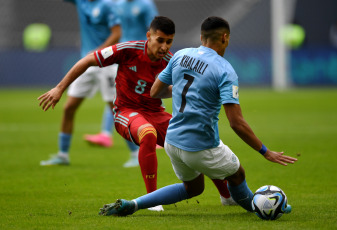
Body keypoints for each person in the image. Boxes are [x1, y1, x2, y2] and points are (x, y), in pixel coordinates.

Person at [98, 16, 298, 217]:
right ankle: (265, 207)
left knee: (193, 189)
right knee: (237, 175)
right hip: (201, 146)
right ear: (225, 37)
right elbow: (236, 123)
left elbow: (154, 91)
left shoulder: (181, 55)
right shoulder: (225, 70)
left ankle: (133, 204)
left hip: (172, 142)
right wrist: (265, 151)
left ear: (201, 37)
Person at [38, 16, 237, 212]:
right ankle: (152, 200)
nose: (164, 47)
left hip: (155, 112)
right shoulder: (128, 50)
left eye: (169, 42)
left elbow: (169, 89)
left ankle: (226, 195)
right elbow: (89, 60)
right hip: (126, 112)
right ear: (148, 36)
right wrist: (59, 88)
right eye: (160, 40)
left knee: (196, 139)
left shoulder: (171, 60)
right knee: (148, 133)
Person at [39, 0, 139, 166]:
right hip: (86, 64)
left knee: (116, 111)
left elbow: (117, 34)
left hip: (106, 63)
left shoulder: (107, 6)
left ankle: (135, 154)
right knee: (69, 107)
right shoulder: (81, 2)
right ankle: (62, 155)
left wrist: (99, 52)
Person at [84, 0, 159, 168]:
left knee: (146, 93)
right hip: (124, 53)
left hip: (143, 54)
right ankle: (106, 133)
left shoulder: (145, 5)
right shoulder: (117, 4)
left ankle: (153, 133)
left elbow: (155, 31)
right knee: (119, 95)